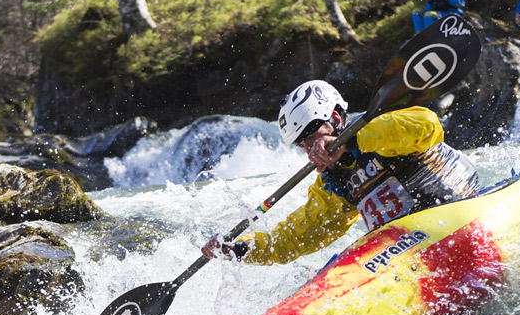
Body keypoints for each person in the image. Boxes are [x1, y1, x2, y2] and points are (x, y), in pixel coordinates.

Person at [201, 80, 479, 265]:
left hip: (464, 212)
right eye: (304, 144)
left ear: (335, 118)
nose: (312, 149)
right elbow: (300, 236)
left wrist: (352, 140)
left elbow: (428, 126)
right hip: (408, 245)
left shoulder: (377, 126)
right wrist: (239, 249)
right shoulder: (335, 180)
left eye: (313, 136)